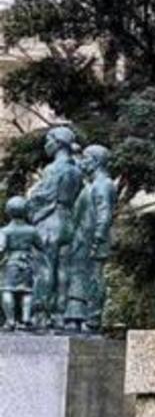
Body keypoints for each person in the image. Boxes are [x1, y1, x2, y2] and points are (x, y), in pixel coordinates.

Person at [25, 126, 81, 329]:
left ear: (57, 143)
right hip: (67, 221)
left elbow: (43, 196)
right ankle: (60, 314)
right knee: (64, 270)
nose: (46, 145)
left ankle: (40, 314)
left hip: (50, 220)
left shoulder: (52, 169)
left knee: (44, 269)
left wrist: (30, 201)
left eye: (48, 140)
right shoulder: (76, 170)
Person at [63, 145, 116, 332]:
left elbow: (105, 213)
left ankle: (92, 318)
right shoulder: (92, 185)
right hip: (82, 239)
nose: (82, 162)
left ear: (95, 161)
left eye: (85, 158)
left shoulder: (103, 184)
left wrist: (98, 237)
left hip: (93, 240)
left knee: (94, 278)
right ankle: (76, 315)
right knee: (78, 275)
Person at [0, 196, 40, 330]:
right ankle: (26, 319)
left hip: (11, 263)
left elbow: (1, 247)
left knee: (7, 290)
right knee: (27, 292)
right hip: (27, 263)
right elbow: (41, 246)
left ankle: (10, 321)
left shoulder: (5, 231)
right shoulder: (32, 230)